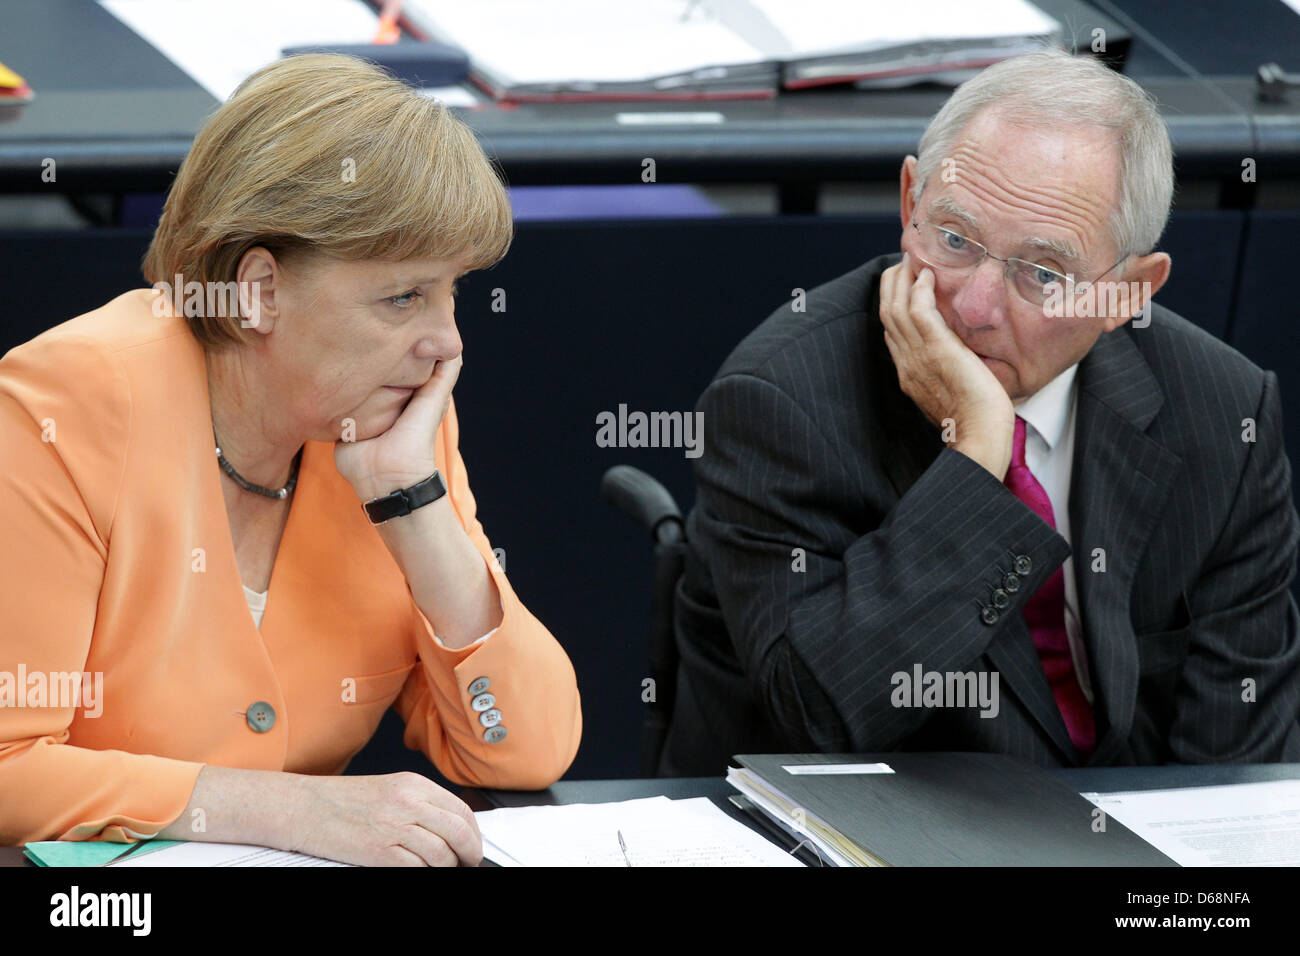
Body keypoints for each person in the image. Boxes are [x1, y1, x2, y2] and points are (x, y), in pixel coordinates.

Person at [0, 54, 581, 865]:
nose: (447, 343)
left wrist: (411, 505)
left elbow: (527, 750)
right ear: (258, 290)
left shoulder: (389, 437)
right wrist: (280, 808)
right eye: (403, 297)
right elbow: (8, 769)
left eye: (454, 291)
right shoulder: (66, 407)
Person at [662, 49, 1300, 777]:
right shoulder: (779, 402)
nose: (973, 307)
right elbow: (819, 715)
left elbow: (1235, 768)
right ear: (909, 204)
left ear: (1128, 293)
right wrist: (976, 455)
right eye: (956, 240)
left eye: (1042, 274)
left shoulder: (1225, 414)